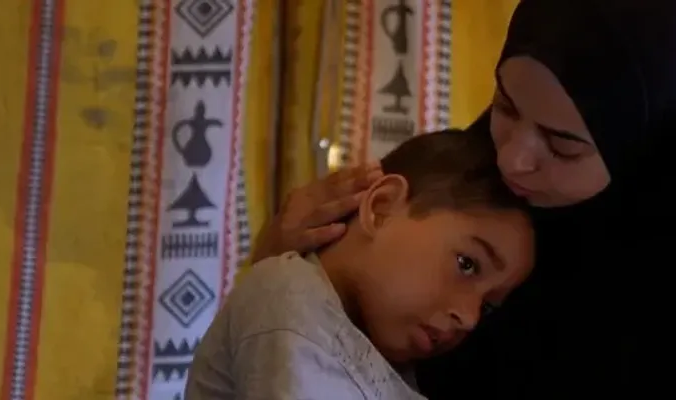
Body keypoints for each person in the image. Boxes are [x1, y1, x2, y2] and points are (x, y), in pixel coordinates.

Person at [256, 0, 676, 398]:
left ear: (651, 143)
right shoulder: (466, 201)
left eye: (563, 143)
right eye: (504, 104)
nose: (513, 158)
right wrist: (286, 269)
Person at [187, 129, 536, 400]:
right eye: (467, 264)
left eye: (488, 307)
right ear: (381, 207)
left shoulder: (386, 361)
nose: (470, 317)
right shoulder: (288, 296)